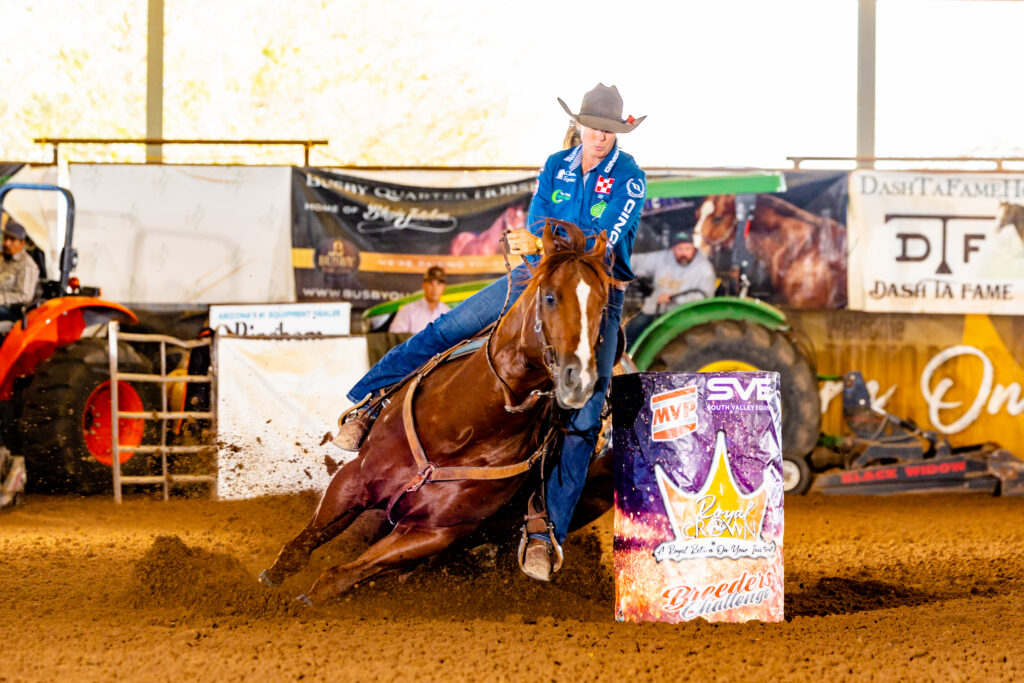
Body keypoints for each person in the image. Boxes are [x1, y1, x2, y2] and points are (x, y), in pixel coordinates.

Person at [334, 83, 646, 581]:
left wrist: (542, 238)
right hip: (535, 278)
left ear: (618, 132)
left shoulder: (629, 177)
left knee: (585, 408)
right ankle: (370, 402)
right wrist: (539, 239)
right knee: (448, 328)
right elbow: (538, 220)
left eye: (609, 130)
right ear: (581, 125)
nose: (600, 137)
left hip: (594, 292)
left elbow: (599, 240)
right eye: (594, 127)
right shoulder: (556, 165)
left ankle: (546, 534)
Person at [624, 228, 716, 346]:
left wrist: (673, 298)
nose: (683, 253)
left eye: (687, 248)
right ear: (673, 249)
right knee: (632, 329)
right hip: (655, 309)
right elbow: (638, 262)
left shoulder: (705, 269)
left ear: (694, 249)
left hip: (684, 315)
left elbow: (705, 299)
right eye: (679, 249)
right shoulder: (662, 258)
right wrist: (615, 259)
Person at [388, 266, 450, 334]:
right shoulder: (408, 310)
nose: (434, 288)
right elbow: (395, 339)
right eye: (430, 283)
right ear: (424, 285)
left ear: (444, 287)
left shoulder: (447, 313)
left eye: (439, 284)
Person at [0, 217, 39, 322]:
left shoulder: (27, 265)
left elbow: (25, 296)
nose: (7, 243)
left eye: (12, 239)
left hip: (11, 310)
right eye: (5, 238)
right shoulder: (2, 258)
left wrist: (1, 298)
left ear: (22, 243)